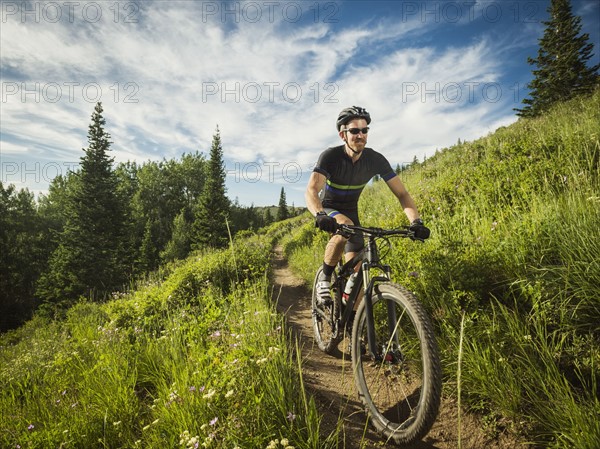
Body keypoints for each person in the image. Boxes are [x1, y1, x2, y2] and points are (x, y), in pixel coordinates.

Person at [305, 106, 430, 306]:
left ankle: (351, 323)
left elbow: (402, 193)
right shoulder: (331, 157)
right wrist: (320, 214)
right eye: (354, 131)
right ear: (343, 135)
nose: (360, 135)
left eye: (365, 130)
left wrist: (416, 221)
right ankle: (324, 279)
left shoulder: (375, 159)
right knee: (345, 224)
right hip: (329, 208)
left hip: (352, 211)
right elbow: (312, 189)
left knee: (356, 280)